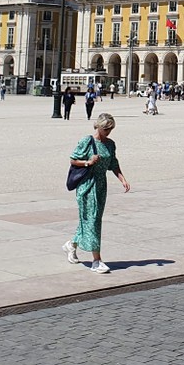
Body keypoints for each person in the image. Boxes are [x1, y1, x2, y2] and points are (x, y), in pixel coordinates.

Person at [64, 112, 131, 273]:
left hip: (101, 185)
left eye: (110, 129)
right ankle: (97, 260)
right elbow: (73, 159)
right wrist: (88, 162)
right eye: (106, 129)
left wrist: (122, 179)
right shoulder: (87, 141)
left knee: (91, 219)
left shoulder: (110, 144)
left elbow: (113, 163)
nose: (108, 132)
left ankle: (71, 244)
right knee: (92, 220)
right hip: (87, 185)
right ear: (98, 126)